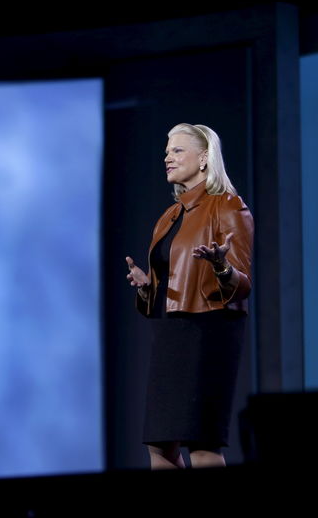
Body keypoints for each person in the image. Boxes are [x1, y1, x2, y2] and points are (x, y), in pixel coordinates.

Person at [125, 123, 254, 470]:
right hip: (171, 333)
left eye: (178, 150)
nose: (168, 157)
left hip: (208, 330)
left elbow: (242, 285)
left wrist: (222, 266)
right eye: (167, 151)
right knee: (159, 445)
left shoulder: (227, 206)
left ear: (204, 158)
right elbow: (176, 279)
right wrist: (149, 285)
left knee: (202, 444)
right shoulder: (170, 216)